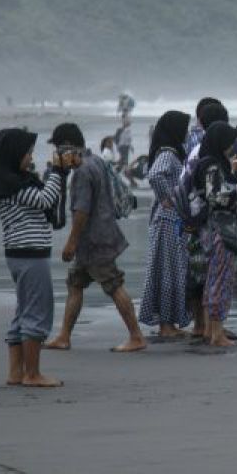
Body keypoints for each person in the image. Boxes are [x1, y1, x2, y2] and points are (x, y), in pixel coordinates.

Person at [0, 128, 65, 387]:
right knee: (37, 311)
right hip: (30, 254)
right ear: (13, 155)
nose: (30, 157)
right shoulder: (15, 187)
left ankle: (16, 372)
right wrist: (57, 172)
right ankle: (33, 374)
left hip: (18, 254)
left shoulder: (6, 183)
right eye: (27, 153)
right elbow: (47, 200)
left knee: (23, 310)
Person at [45, 123, 146, 353]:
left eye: (60, 149)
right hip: (98, 236)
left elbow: (82, 211)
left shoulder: (81, 172)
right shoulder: (97, 161)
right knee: (75, 284)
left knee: (113, 285)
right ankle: (64, 336)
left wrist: (71, 242)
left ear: (69, 147)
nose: (58, 155)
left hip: (94, 240)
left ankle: (136, 336)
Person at [186, 122, 237, 347]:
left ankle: (211, 331)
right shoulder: (212, 166)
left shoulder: (204, 163)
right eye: (229, 142)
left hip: (207, 230)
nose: (231, 147)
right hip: (219, 229)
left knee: (212, 278)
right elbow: (216, 197)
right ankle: (217, 334)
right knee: (220, 280)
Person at [139, 111, 193, 338]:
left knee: (168, 271)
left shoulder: (170, 152)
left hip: (168, 218)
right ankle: (166, 325)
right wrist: (167, 198)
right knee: (168, 271)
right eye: (185, 128)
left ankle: (168, 323)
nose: (187, 133)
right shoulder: (168, 154)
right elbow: (155, 175)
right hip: (168, 219)